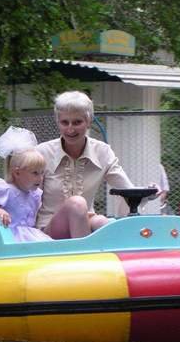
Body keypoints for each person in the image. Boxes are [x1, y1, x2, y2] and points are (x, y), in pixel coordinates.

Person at [35, 90, 141, 238]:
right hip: (48, 228)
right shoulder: (42, 152)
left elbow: (127, 190)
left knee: (102, 221)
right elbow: (27, 197)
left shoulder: (102, 151)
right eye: (65, 122)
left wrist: (147, 194)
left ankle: (123, 255)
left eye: (77, 122)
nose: (70, 129)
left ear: (89, 121)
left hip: (86, 221)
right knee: (77, 204)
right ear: (58, 122)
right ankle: (85, 256)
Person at [0, 126, 52, 242]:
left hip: (31, 235)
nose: (40, 178)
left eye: (42, 173)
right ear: (17, 173)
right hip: (10, 236)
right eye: (35, 173)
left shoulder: (35, 195)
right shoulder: (6, 191)